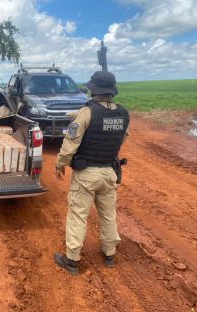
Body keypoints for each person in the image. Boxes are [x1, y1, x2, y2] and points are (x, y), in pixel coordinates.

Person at [53, 70, 130, 274]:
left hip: (86, 174)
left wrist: (60, 164)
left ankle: (72, 260)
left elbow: (70, 144)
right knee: (108, 215)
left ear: (93, 90)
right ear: (112, 91)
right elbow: (122, 138)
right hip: (109, 173)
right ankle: (109, 254)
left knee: (78, 215)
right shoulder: (123, 113)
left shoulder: (86, 113)